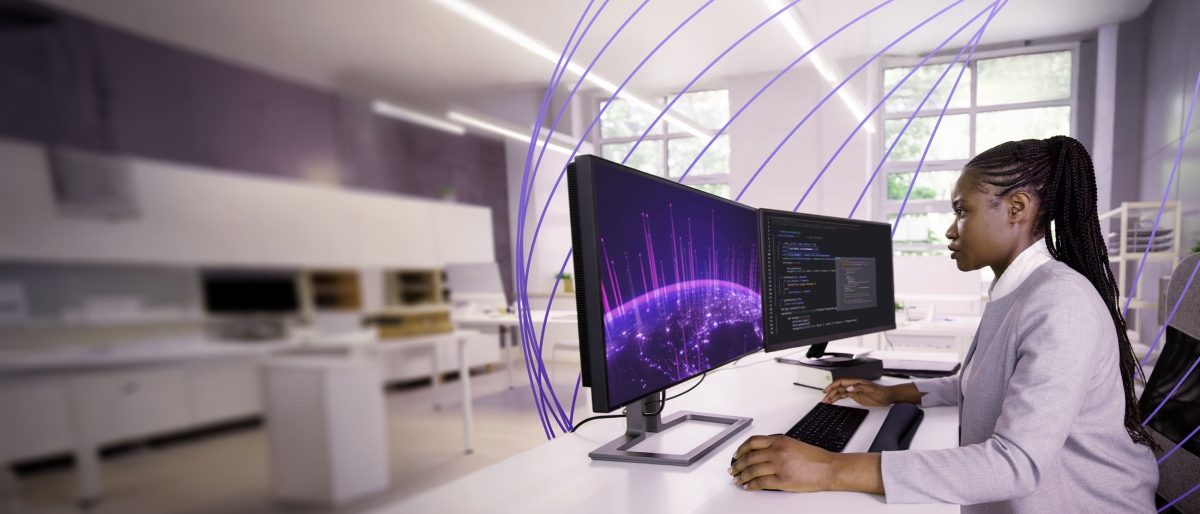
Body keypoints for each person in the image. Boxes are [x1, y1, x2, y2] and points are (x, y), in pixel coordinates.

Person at [728, 136, 1160, 513]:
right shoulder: (1023, 291)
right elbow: (982, 382)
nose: (951, 231)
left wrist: (829, 467)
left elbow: (1016, 464)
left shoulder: (1061, 303)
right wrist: (895, 392)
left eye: (962, 211)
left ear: (1016, 208)